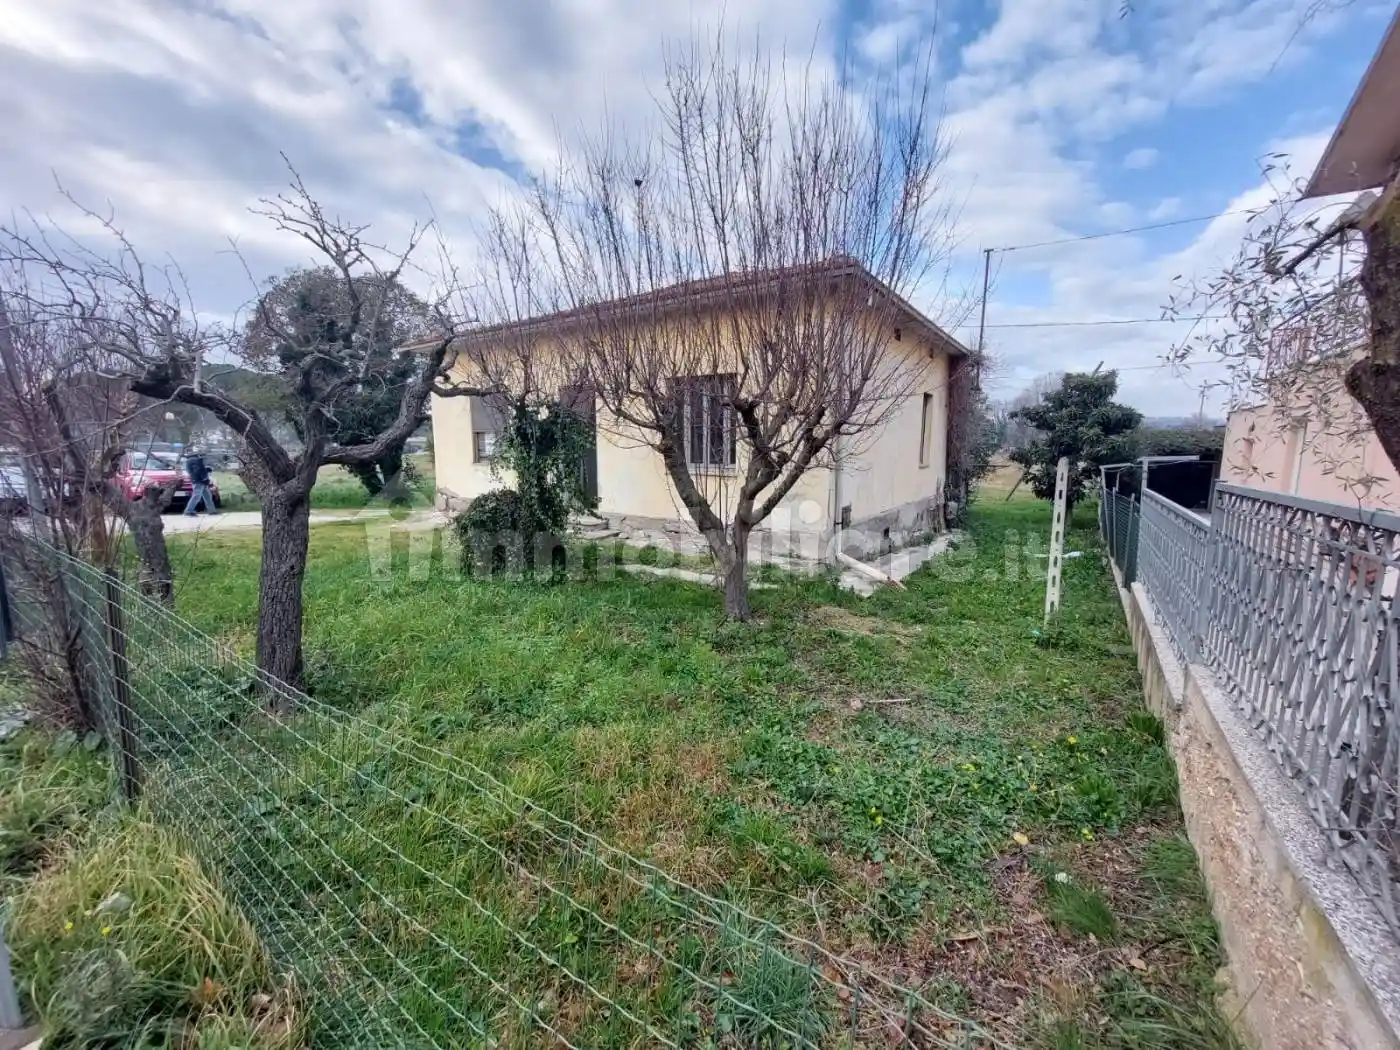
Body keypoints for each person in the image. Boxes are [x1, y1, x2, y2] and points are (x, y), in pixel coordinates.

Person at [183, 448, 217, 516]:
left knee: (207, 495)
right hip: (199, 481)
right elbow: (198, 471)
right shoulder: (196, 460)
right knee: (196, 496)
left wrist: (206, 470)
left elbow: (196, 470)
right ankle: (189, 511)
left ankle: (212, 510)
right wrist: (204, 478)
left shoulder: (190, 460)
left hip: (198, 480)